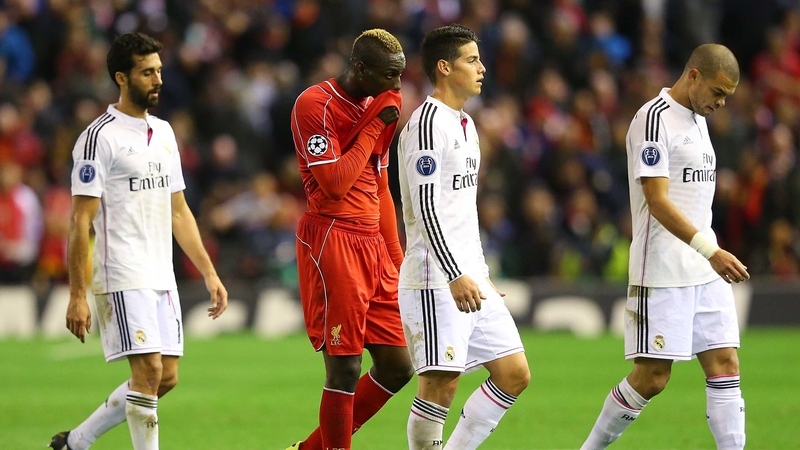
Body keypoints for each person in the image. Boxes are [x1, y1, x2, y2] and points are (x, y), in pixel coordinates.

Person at [49, 32, 228, 450]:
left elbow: (179, 212)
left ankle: (76, 442)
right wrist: (77, 294)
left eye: (159, 71)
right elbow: (80, 221)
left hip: (160, 274)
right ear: (122, 78)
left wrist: (209, 272)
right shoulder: (99, 139)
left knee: (165, 378)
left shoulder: (164, 133)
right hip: (121, 272)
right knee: (147, 372)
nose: (157, 80)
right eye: (147, 73)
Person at [581, 43, 749, 450]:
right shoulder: (652, 120)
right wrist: (712, 251)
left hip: (705, 268)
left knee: (725, 364)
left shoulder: (699, 117)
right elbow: (657, 201)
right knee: (652, 378)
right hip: (663, 268)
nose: (722, 103)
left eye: (727, 96)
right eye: (718, 92)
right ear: (693, 76)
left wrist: (709, 254)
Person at [397, 24, 530, 450]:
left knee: (514, 373)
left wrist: (479, 271)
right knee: (441, 383)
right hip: (435, 277)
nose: (482, 67)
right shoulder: (425, 125)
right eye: (471, 60)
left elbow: (461, 211)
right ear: (444, 67)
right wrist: (455, 273)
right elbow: (426, 207)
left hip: (468, 272)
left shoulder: (466, 123)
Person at [288, 29, 413, 450]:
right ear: (360, 68)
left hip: (372, 245)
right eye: (389, 76)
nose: (396, 87)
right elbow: (336, 183)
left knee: (398, 366)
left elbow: (379, 185)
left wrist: (396, 258)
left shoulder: (375, 104)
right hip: (333, 239)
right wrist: (373, 124)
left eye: (401, 76)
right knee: (344, 368)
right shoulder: (314, 105)